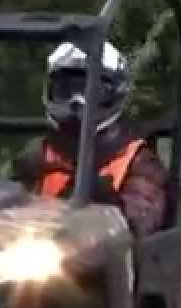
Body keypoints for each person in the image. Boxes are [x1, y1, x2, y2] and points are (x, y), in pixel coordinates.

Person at [12, 41, 169, 237]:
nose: (76, 102)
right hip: (36, 247)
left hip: (106, 252)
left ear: (115, 93)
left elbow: (140, 223)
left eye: (91, 92)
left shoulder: (138, 161)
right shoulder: (37, 155)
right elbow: (9, 207)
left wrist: (109, 202)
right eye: (65, 90)